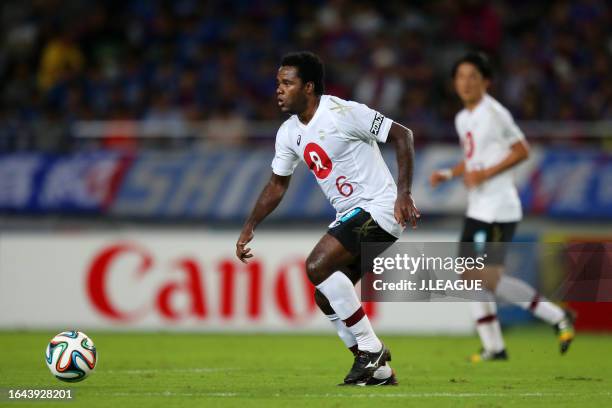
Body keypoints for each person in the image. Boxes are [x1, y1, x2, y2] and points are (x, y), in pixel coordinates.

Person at [236, 51, 419, 385]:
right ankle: (376, 370)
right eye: (278, 83)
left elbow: (402, 135)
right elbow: (277, 184)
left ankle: (371, 348)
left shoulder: (344, 112)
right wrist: (250, 225)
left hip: (379, 208)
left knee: (317, 265)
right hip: (350, 214)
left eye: (287, 83)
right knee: (324, 293)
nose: (278, 89)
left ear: (308, 87)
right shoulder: (288, 133)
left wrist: (403, 192)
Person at [430, 52, 575, 362]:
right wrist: (449, 173)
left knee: (485, 278)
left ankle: (555, 316)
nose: (466, 83)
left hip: (498, 207)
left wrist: (484, 174)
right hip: (478, 207)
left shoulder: (495, 113)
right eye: (460, 77)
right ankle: (494, 346)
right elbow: (474, 159)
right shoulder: (463, 118)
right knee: (470, 276)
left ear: (486, 82)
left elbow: (522, 150)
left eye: (473, 77)